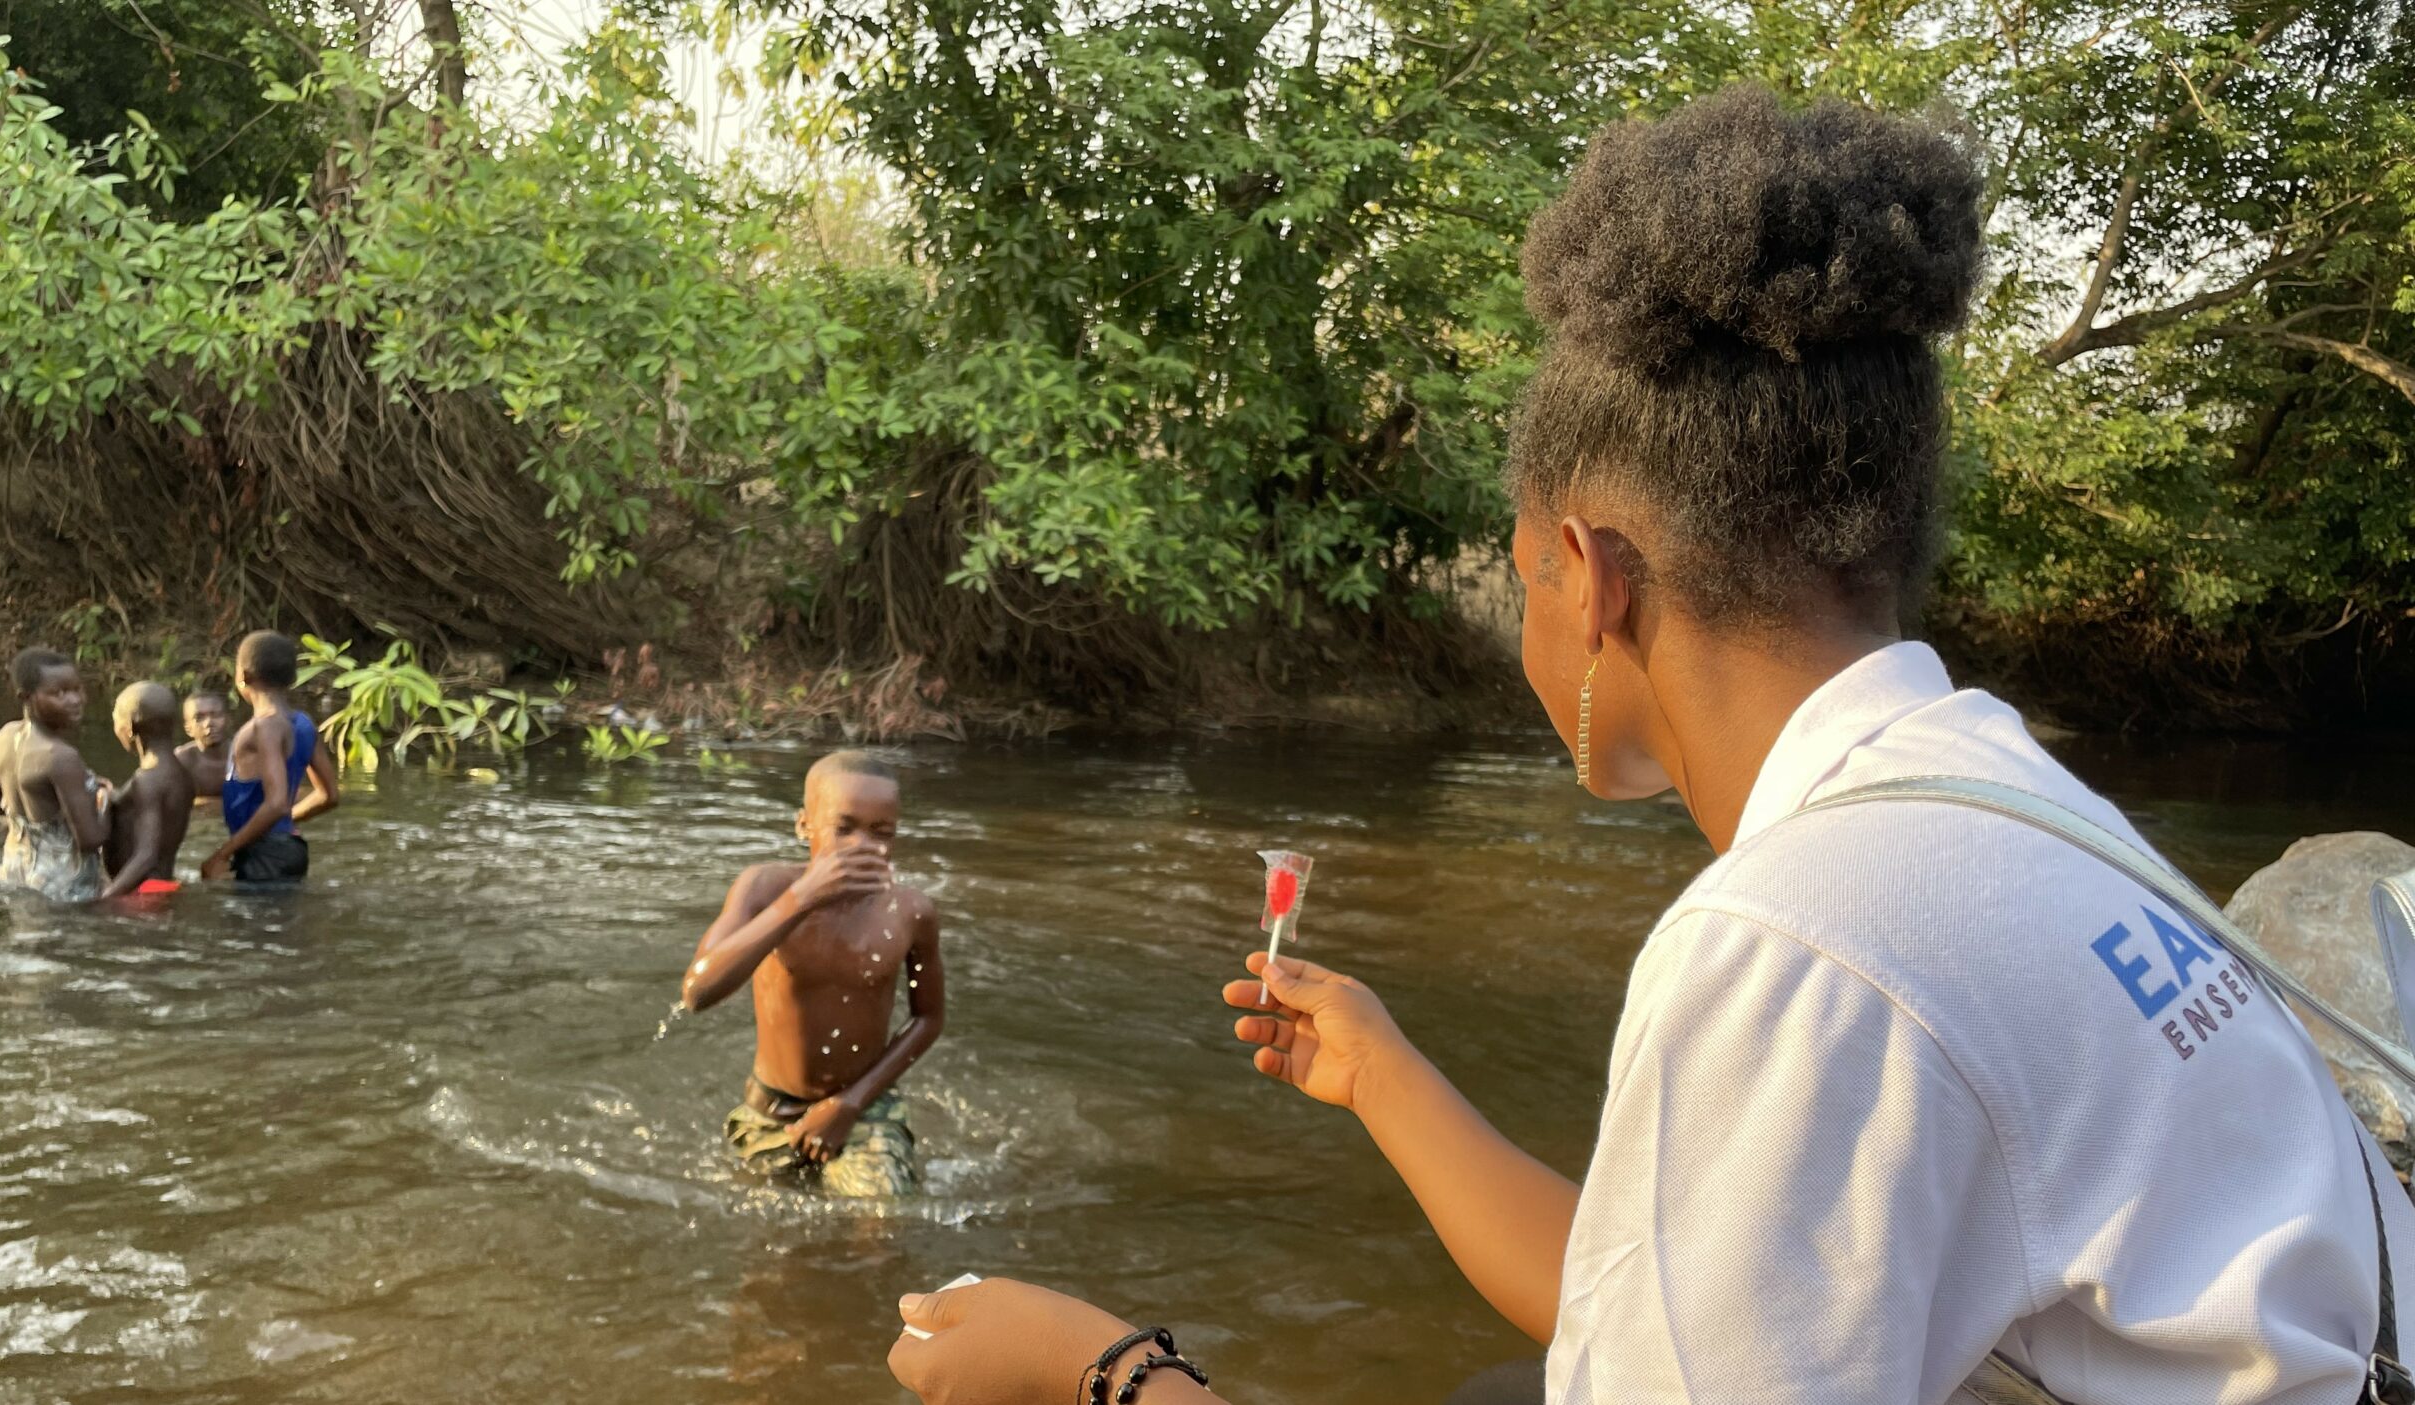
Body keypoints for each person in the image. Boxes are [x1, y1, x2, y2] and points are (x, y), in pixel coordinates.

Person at [885, 85, 2414, 1405]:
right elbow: (1689, 1301)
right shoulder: (1995, 792)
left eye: (1529, 581)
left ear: (1593, 574)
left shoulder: (1799, 940)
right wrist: (1386, 1076)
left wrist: (1104, 1368)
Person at [677, 750, 944, 1196]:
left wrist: (848, 1103)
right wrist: (802, 898)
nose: (863, 847)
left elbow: (928, 1018)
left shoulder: (910, 912)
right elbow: (698, 991)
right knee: (767, 1245)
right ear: (804, 825)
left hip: (863, 1106)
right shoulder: (765, 888)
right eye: (843, 829)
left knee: (880, 1227)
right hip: (770, 1109)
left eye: (882, 834)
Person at [0, 647, 106, 903]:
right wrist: (107, 800)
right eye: (59, 693)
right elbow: (89, 840)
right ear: (26, 697)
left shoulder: (5, 737)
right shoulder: (61, 756)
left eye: (77, 689)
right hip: (65, 885)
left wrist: (30, 815)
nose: (74, 699)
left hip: (14, 872)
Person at [201, 631, 337, 883]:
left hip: (265, 854)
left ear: (243, 676)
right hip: (286, 848)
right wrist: (285, 822)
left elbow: (276, 804)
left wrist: (221, 855)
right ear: (292, 678)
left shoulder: (265, 727)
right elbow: (328, 796)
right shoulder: (304, 724)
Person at [97, 682, 194, 900]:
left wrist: (105, 898)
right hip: (162, 885)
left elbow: (146, 856)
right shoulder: (181, 774)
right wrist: (114, 796)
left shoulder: (147, 780)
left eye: (116, 719)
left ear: (130, 728)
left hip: (141, 894)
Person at [173, 687, 230, 802]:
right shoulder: (182, 761)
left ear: (228, 720)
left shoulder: (246, 753)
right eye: (199, 718)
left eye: (216, 715)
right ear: (188, 728)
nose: (209, 723)